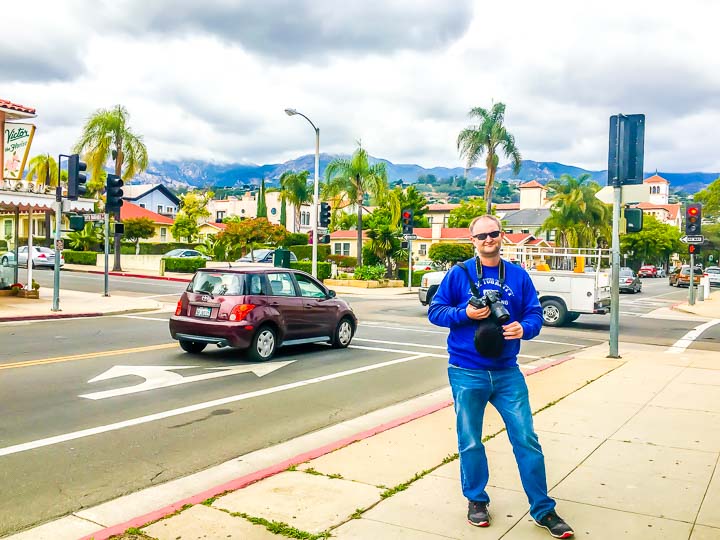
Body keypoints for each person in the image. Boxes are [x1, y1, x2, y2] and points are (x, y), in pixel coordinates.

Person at [428, 215, 574, 539]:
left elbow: (534, 313)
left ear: (502, 236)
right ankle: (476, 501)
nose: (488, 240)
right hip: (466, 371)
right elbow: (435, 312)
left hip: (508, 372)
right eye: (481, 236)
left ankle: (543, 509)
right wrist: (464, 313)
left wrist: (525, 328)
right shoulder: (459, 274)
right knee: (469, 441)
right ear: (473, 240)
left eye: (493, 234)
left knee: (526, 439)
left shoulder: (518, 276)